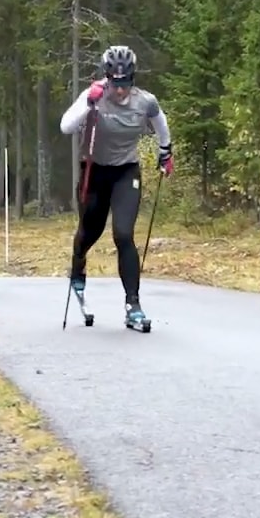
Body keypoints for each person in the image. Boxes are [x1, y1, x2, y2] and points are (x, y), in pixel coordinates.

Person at [58, 44, 173, 327]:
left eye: (125, 83)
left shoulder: (145, 101)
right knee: (90, 231)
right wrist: (89, 103)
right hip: (94, 172)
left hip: (125, 173)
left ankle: (132, 303)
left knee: (123, 234)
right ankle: (78, 265)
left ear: (132, 79)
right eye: (114, 83)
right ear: (106, 78)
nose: (119, 90)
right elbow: (66, 127)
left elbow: (161, 123)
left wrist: (165, 151)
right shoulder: (94, 97)